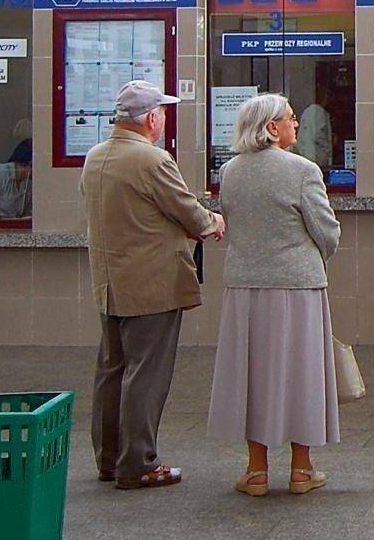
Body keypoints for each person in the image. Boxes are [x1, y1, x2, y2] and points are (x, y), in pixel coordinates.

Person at [81, 80, 225, 490]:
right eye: (161, 112)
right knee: (146, 374)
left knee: (112, 371)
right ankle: (138, 463)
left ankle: (109, 459)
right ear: (150, 118)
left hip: (109, 283)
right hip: (151, 284)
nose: (163, 118)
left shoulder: (95, 157)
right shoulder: (152, 160)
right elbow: (187, 211)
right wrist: (212, 221)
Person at [208, 93, 342, 497]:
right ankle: (302, 470)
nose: (295, 124)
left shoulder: (230, 171)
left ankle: (256, 471)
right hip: (298, 286)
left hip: (245, 286)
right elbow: (326, 231)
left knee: (254, 375)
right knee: (302, 374)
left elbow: (231, 218)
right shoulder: (303, 170)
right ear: (271, 128)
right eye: (288, 118)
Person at [295, 85, 334, 177]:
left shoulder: (307, 111)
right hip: (317, 157)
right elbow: (318, 135)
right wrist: (328, 147)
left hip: (305, 155)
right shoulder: (319, 112)